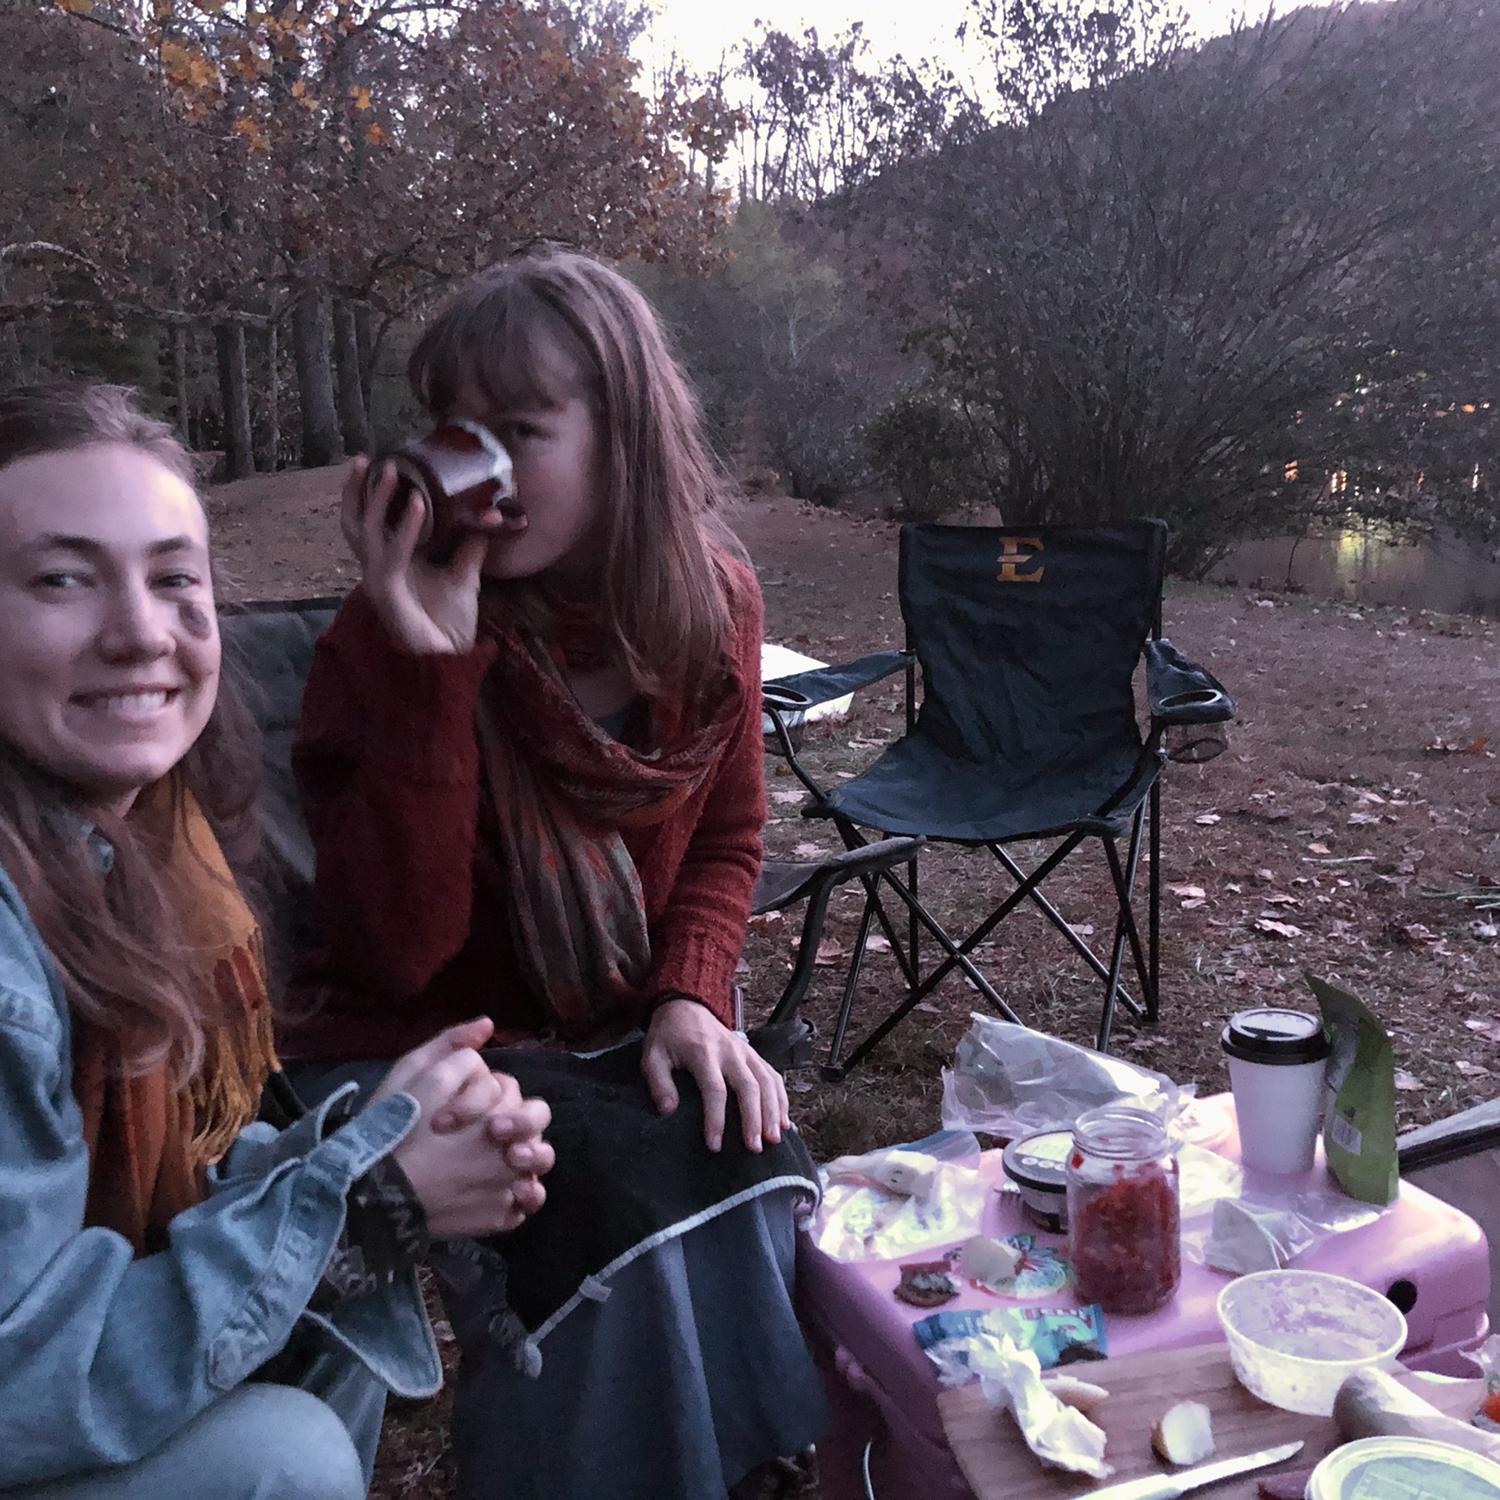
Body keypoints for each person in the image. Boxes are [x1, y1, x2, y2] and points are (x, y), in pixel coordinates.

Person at [283, 248, 829, 1500]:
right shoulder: (387, 628)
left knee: (740, 1141)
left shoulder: (708, 606)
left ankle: (746, 1461)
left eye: (520, 431)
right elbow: (393, 954)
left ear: (623, 438)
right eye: (453, 431)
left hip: (616, 1010)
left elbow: (731, 838)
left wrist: (692, 992)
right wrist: (430, 674)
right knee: (594, 1191)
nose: (476, 467)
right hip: (426, 1028)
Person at [0, 382, 554, 1499]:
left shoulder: (154, 843)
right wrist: (367, 1202)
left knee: (327, 1326)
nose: (141, 631)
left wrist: (358, 1150)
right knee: (283, 1456)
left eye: (174, 578)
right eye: (62, 578)